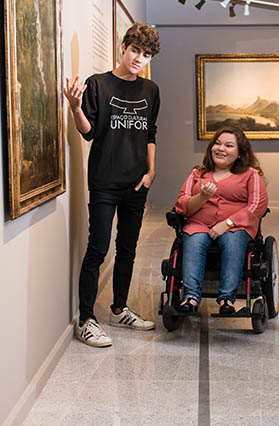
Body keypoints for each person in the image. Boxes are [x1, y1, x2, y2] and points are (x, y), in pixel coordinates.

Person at [64, 23, 161, 348]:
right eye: (135, 50)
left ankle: (119, 309)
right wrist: (76, 107)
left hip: (137, 184)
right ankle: (87, 319)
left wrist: (151, 172)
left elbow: (150, 133)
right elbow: (89, 132)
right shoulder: (98, 84)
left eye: (145, 55)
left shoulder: (151, 90)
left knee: (128, 250)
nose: (138, 59)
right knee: (98, 249)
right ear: (123, 46)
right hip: (104, 182)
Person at [173, 126, 268, 314]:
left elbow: (257, 205)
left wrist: (227, 223)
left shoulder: (251, 175)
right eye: (217, 143)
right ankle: (191, 297)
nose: (220, 148)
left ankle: (227, 299)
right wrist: (201, 197)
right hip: (199, 224)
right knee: (193, 239)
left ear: (240, 153)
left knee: (233, 241)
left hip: (235, 227)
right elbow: (181, 205)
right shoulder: (197, 174)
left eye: (228, 145)